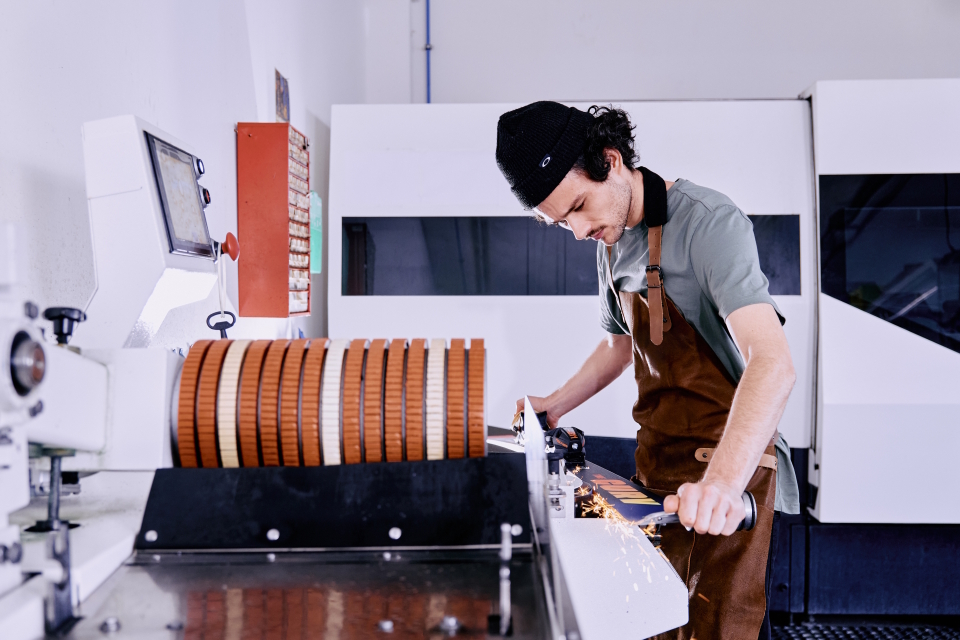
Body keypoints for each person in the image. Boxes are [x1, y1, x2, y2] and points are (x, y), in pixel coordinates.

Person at [496, 101, 801, 640]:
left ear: (610, 160)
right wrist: (554, 405)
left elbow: (772, 363)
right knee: (654, 621)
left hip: (727, 474)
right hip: (658, 467)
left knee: (715, 626)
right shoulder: (609, 243)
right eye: (561, 221)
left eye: (580, 207)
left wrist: (723, 487)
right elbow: (618, 349)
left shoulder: (710, 222)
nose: (578, 229)